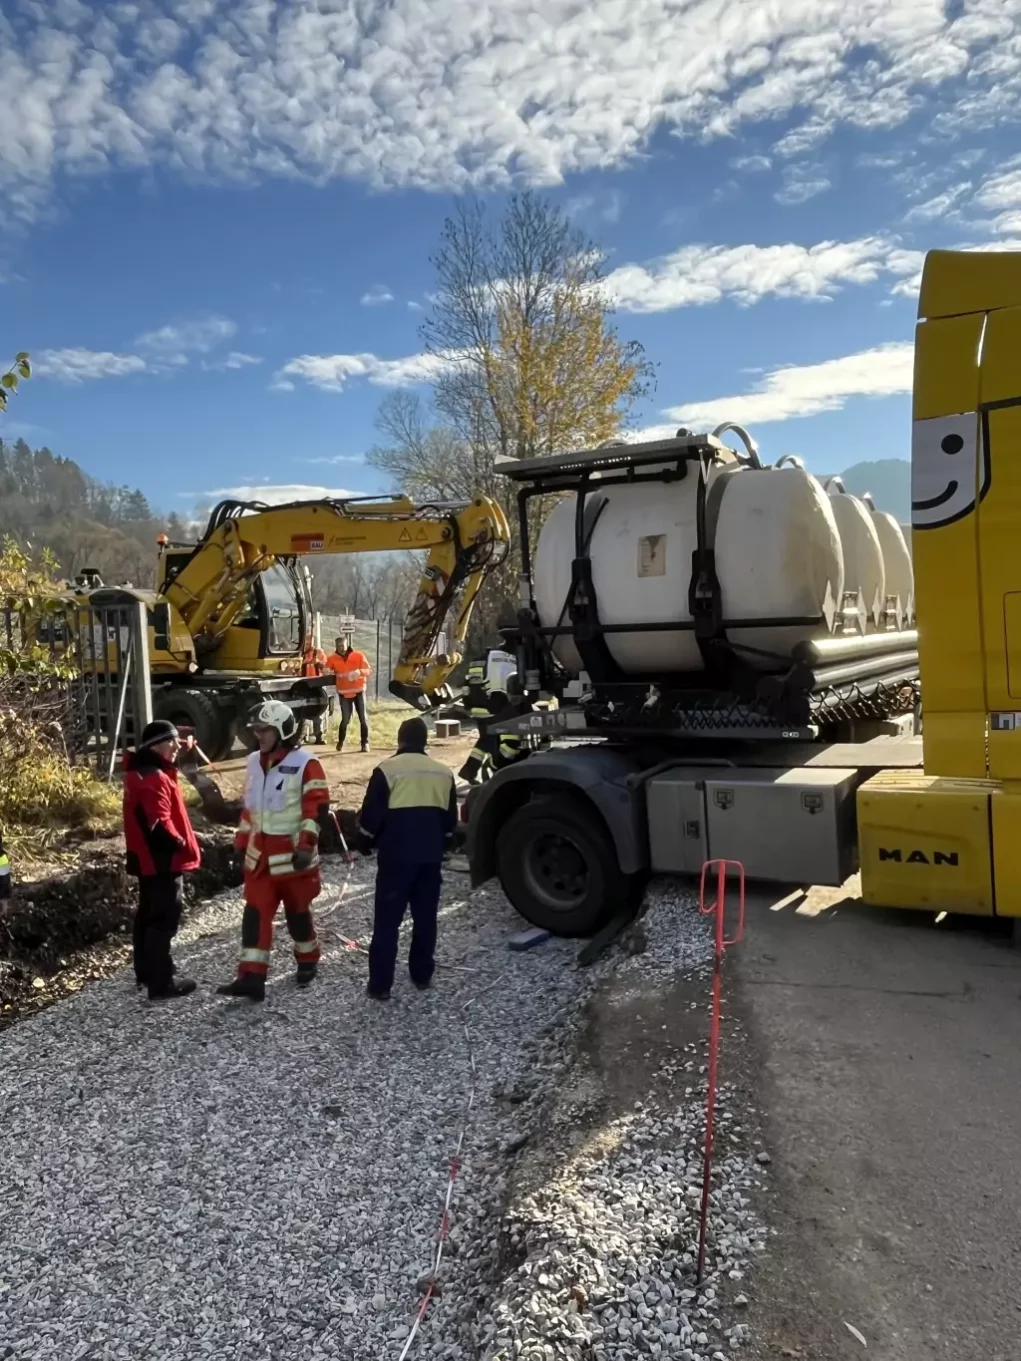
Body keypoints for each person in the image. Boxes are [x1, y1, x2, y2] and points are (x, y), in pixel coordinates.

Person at [216, 700, 331, 1002]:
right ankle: (251, 977)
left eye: (265, 730)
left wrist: (306, 845)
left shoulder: (307, 763)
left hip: (294, 860)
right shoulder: (254, 761)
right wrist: (241, 843)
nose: (259, 736)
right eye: (256, 731)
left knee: (298, 914)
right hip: (260, 860)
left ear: (283, 730)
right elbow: (250, 808)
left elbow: (316, 807)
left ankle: (308, 958)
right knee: (254, 916)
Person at [358, 717, 457, 1001]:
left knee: (388, 922)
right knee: (426, 918)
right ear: (425, 742)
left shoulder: (387, 770)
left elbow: (370, 818)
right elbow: (450, 823)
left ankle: (380, 986)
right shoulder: (443, 773)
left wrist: (363, 843)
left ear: (399, 740)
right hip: (430, 857)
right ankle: (422, 974)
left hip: (396, 859)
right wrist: (443, 846)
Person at [123, 719, 201, 1000]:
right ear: (157, 746)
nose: (177, 747)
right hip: (162, 861)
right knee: (163, 920)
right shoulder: (154, 777)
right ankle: (162, 982)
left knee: (146, 915)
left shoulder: (140, 772)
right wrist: (180, 844)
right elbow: (159, 825)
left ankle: (145, 971)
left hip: (146, 861)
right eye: (173, 742)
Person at [457, 646, 522, 785]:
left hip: (478, 709)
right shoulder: (504, 660)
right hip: (492, 709)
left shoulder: (477, 662)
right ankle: (491, 769)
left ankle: (469, 771)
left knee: (485, 740)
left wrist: (467, 703)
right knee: (493, 741)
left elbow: (465, 685)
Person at [325, 634, 372, 753]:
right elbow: (326, 669)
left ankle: (365, 743)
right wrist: (325, 670)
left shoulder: (358, 655)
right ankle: (340, 742)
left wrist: (359, 672)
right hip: (344, 694)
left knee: (363, 718)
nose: (341, 647)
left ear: (347, 644)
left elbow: (369, 670)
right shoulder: (332, 659)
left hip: (359, 691)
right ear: (336, 646)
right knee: (345, 719)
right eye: (339, 645)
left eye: (343, 645)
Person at [301, 637, 329, 744]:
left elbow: (326, 668)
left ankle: (319, 736)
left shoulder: (319, 653)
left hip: (316, 686)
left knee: (318, 712)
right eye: (306, 641)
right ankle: (301, 736)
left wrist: (317, 662)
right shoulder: (299, 652)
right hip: (302, 685)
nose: (307, 643)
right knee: (301, 712)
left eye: (309, 641)